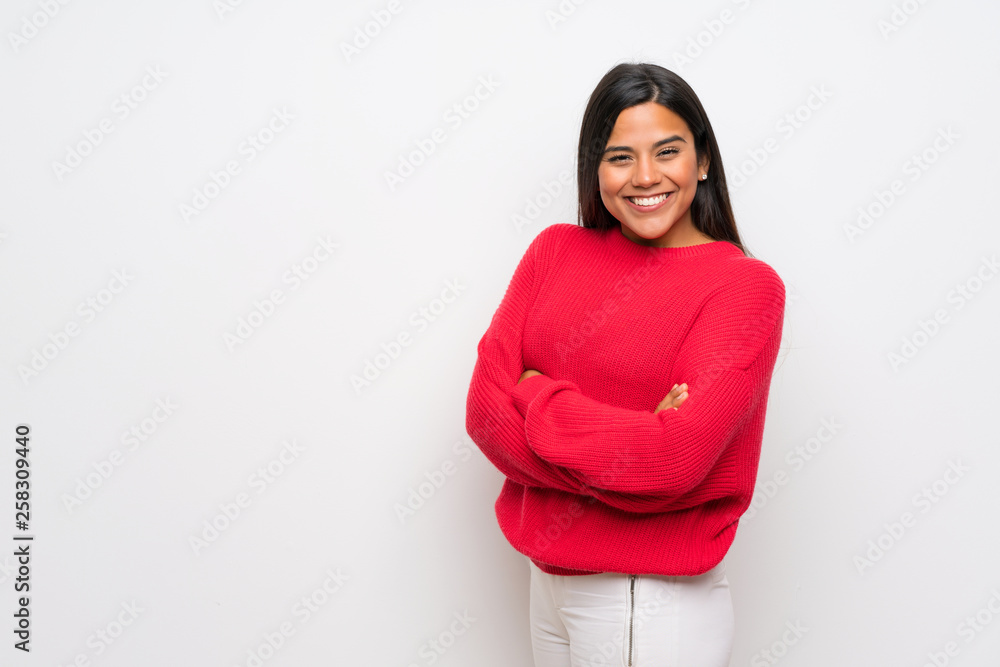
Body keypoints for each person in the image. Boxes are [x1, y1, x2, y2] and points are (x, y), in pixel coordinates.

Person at [465, 61, 786, 666]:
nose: (645, 177)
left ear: (703, 159)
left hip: (649, 599)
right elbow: (484, 416)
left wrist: (532, 393)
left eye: (667, 151)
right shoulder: (555, 251)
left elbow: (672, 460)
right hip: (547, 583)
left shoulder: (743, 287)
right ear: (595, 167)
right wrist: (627, 449)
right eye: (620, 157)